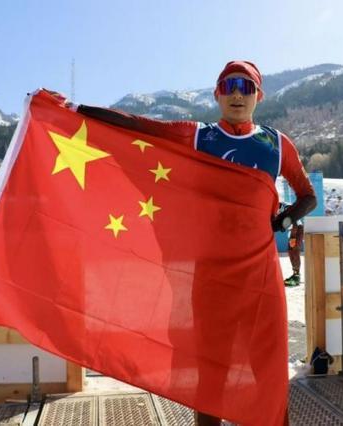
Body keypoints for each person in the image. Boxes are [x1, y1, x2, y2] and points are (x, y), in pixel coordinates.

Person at [78, 60, 317, 426]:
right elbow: (139, 126)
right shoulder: (198, 136)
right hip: (210, 276)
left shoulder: (276, 143)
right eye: (229, 86)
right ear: (217, 94)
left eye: (246, 87)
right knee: (211, 371)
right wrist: (76, 109)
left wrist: (280, 221)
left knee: (266, 369)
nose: (237, 94)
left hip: (260, 277)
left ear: (259, 96)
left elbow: (307, 196)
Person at [285, 220, 304, 286]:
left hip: (296, 229)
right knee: (291, 252)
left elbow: (295, 222)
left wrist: (294, 233)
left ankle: (297, 276)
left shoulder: (297, 224)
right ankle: (295, 274)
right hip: (293, 230)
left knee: (295, 252)